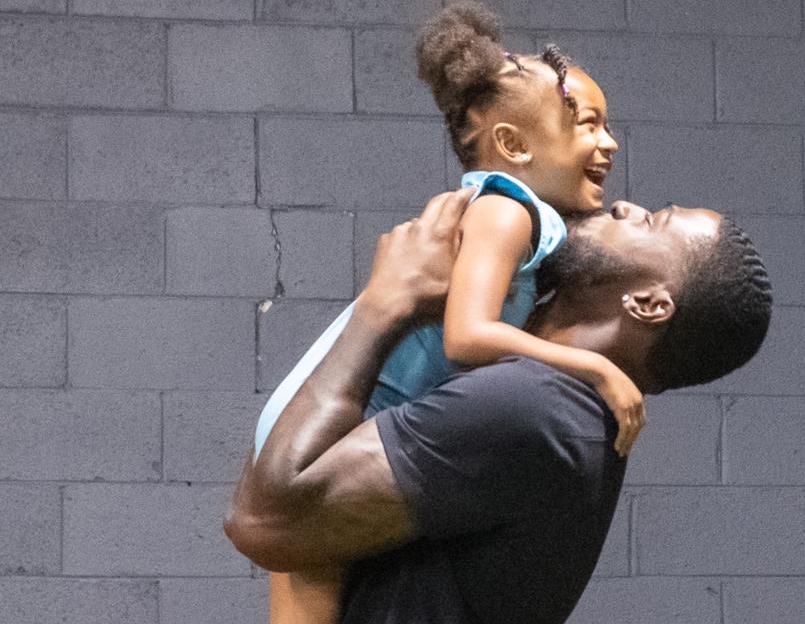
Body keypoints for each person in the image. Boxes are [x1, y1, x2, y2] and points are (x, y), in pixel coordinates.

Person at [225, 190, 773, 624]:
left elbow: (265, 522)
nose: (625, 206)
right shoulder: (564, 410)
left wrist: (383, 305)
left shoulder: (536, 408)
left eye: (651, 222)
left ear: (648, 304)